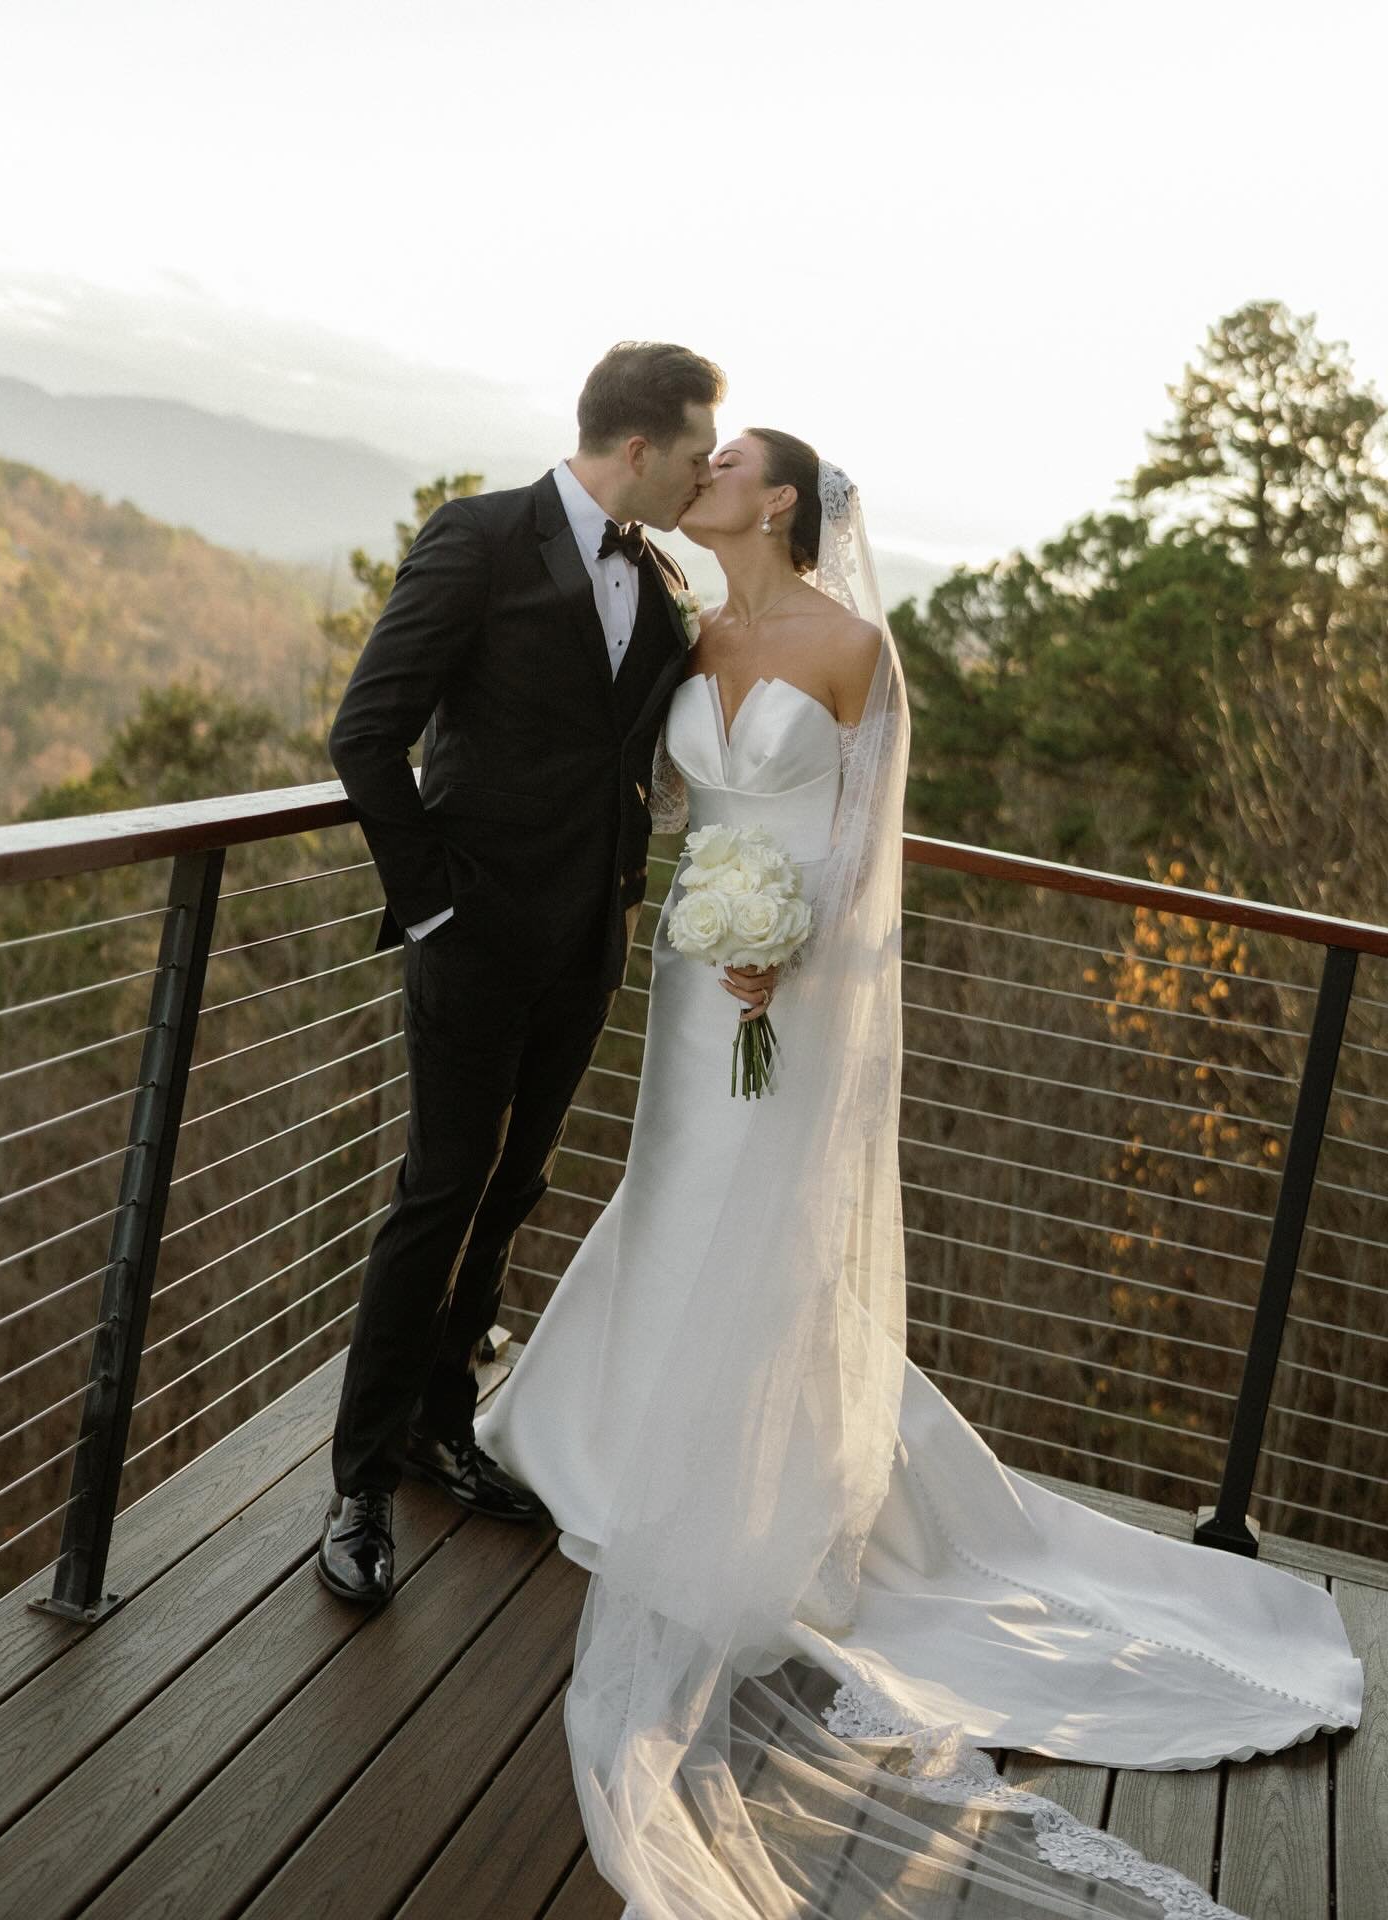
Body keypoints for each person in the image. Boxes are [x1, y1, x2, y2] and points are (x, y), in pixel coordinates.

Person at [474, 430, 1364, 1919]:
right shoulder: (700, 628)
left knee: (757, 1222)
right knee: (676, 1190)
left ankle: (745, 1487)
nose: (701, 469)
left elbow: (858, 840)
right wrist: (710, 926)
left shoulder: (855, 645)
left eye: (729, 460)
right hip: (698, 977)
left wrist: (786, 943)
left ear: (781, 502)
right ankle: (617, 1444)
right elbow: (662, 793)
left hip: (790, 984)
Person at [318, 340, 786, 1604]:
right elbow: (366, 732)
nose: (702, 476)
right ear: (639, 447)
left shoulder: (662, 573)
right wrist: (430, 912)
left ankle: (440, 1422)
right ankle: (360, 1480)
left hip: (590, 944)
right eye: (695, 455)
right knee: (441, 1188)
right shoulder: (478, 538)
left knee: (515, 1185)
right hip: (468, 944)